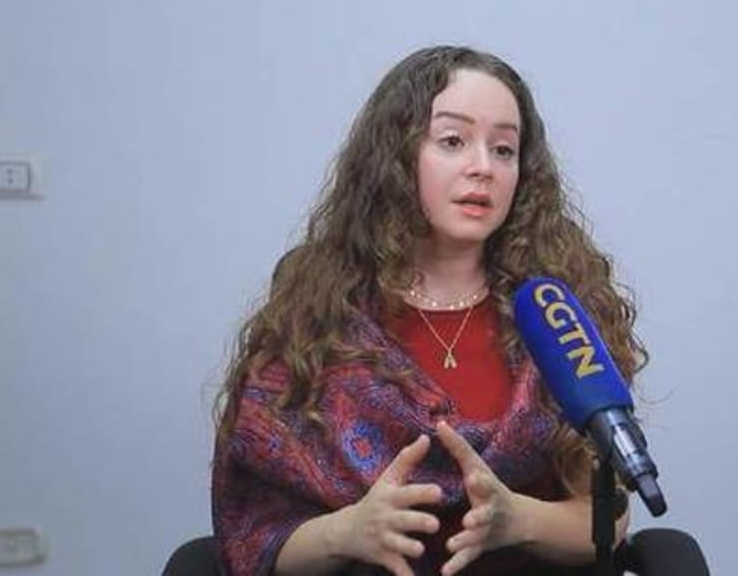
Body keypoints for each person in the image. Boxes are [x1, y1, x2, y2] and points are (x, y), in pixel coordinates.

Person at [211, 45, 647, 576]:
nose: (482, 167)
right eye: (453, 141)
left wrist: (517, 520)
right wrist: (345, 532)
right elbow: (253, 539)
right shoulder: (315, 321)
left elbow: (607, 517)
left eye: (504, 150)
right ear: (397, 157)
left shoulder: (557, 316)